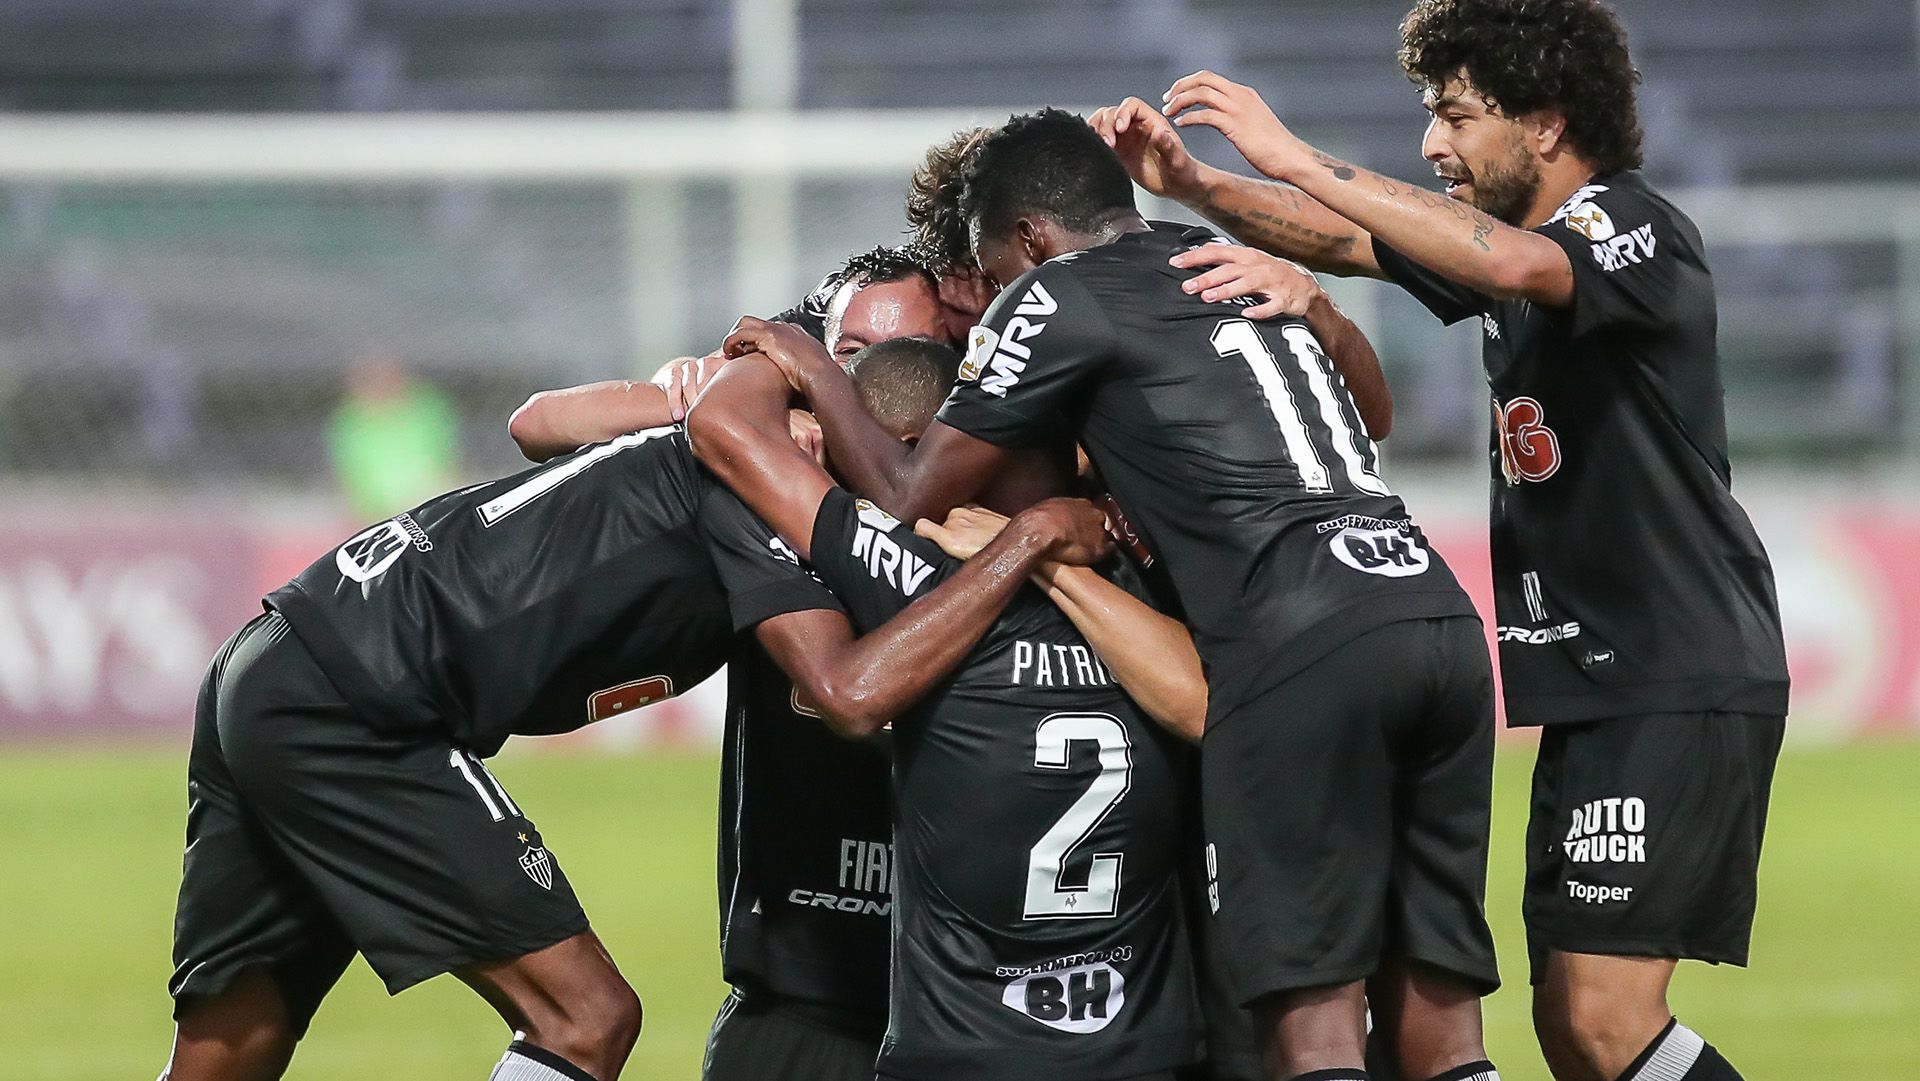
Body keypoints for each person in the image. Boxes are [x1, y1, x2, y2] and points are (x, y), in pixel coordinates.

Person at [725, 109, 1504, 1081]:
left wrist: (809, 368)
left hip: (1297, 637)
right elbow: (1373, 414)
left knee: (1313, 1032)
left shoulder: (1053, 298)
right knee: (1441, 1027)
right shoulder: (1215, 261)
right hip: (1427, 610)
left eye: (995, 276)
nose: (996, 302)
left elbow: (908, 494)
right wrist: (1321, 307)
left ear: (1027, 240)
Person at [1092, 3, 1791, 1078]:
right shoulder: (1521, 252)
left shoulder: (1628, 229)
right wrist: (1199, 189)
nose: (1433, 145)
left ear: (1548, 125)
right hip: (1600, 680)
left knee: (1607, 1022)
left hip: (1677, 663)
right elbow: (1347, 240)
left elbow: (1511, 266)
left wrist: (1293, 154)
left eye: (1455, 117)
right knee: (1569, 1025)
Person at [163, 401, 1115, 1081]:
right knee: (586, 1019)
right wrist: (1022, 542)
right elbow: (847, 690)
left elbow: (538, 418)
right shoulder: (757, 494)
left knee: (231, 1047)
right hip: (356, 701)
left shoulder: (710, 432)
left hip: (271, 659)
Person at [688, 344, 1208, 1081]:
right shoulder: (1150, 575)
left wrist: (805, 349)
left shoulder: (916, 573)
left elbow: (721, 422)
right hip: (1140, 1046)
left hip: (962, 1046)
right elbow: (1205, 705)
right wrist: (1047, 542)